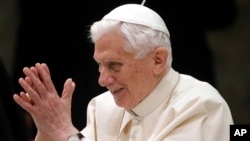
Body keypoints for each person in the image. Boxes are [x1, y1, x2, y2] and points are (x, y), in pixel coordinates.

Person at [13, 3, 233, 141]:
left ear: (158, 60)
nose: (102, 80)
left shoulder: (201, 105)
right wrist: (48, 132)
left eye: (114, 65)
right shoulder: (102, 106)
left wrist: (66, 133)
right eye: (99, 65)